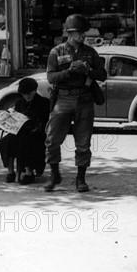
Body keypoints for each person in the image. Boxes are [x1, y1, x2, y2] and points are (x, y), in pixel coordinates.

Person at [44, 14, 107, 193]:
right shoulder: (57, 52)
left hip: (84, 99)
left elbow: (102, 75)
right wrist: (68, 72)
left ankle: (80, 179)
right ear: (69, 33)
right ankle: (54, 174)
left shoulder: (90, 52)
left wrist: (89, 70)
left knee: (83, 142)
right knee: (52, 139)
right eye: (79, 32)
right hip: (63, 98)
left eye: (83, 32)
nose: (83, 35)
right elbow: (50, 77)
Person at [0, 77, 50, 184]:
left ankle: (29, 173)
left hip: (36, 134)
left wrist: (30, 125)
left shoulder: (43, 103)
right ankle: (11, 172)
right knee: (5, 141)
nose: (26, 96)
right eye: (24, 94)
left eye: (29, 93)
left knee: (25, 142)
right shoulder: (19, 103)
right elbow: (16, 117)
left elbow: (43, 123)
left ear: (35, 91)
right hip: (20, 132)